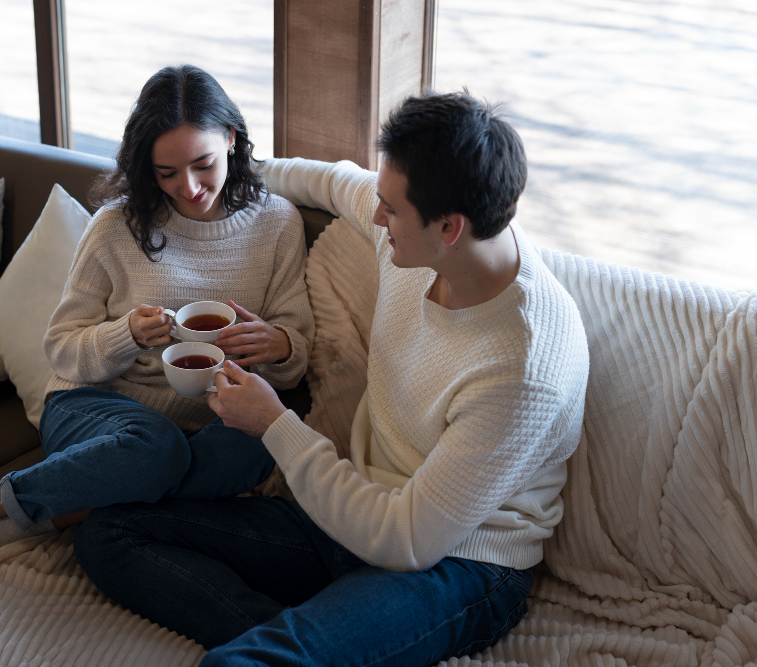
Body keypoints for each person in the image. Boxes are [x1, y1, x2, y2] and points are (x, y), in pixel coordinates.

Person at [74, 90, 591, 665]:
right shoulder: (420, 244)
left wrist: (275, 424)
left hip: (456, 561)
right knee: (108, 533)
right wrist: (216, 165)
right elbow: (333, 180)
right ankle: (322, 642)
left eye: (390, 210)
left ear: (449, 227)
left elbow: (406, 540)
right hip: (349, 511)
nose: (375, 216)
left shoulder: (523, 367)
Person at [0, 64, 314, 564]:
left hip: (211, 420)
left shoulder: (277, 223)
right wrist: (125, 335)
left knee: (259, 447)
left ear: (231, 138)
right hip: (94, 408)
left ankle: (57, 512)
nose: (188, 187)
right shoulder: (115, 227)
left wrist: (279, 345)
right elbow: (61, 349)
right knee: (155, 448)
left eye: (203, 164)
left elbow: (296, 349)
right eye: (166, 173)